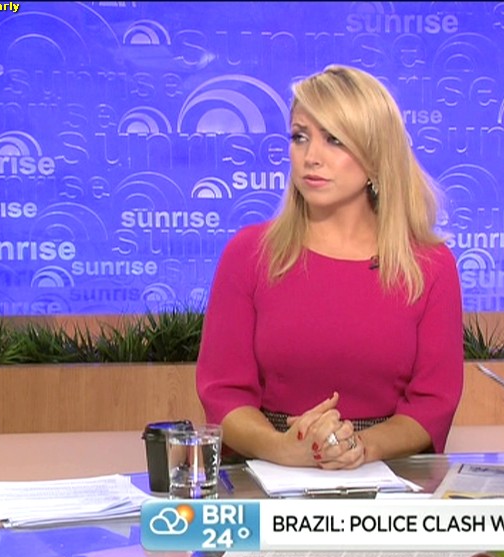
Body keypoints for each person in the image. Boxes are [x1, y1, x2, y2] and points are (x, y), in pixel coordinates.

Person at [196, 65, 464, 469]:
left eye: (334, 140)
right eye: (300, 137)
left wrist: (357, 447)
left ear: (376, 156)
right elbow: (223, 394)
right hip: (267, 470)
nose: (311, 157)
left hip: (385, 476)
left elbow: (433, 404)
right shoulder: (249, 254)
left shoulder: (429, 266)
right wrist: (284, 448)